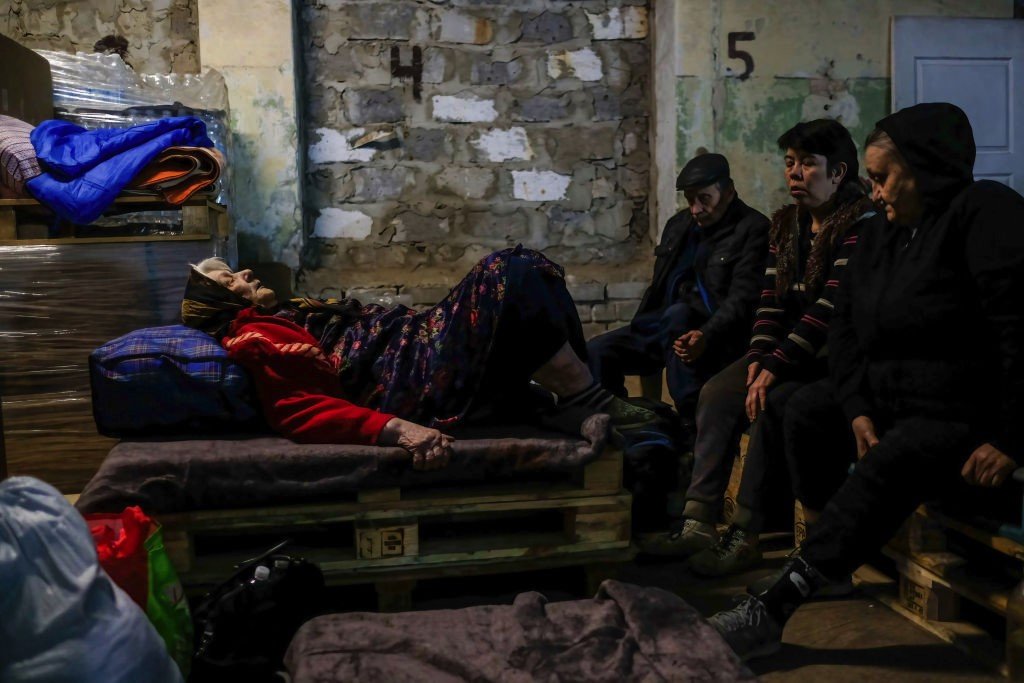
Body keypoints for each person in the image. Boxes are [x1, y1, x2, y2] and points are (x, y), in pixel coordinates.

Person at [708, 102, 1024, 660]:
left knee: (897, 454)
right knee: (801, 408)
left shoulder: (987, 214)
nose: (873, 193)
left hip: (962, 416)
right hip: (892, 400)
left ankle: (778, 603)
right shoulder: (882, 235)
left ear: (926, 169)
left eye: (882, 179)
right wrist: (855, 407)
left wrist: (1009, 437)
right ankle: (830, 559)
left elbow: (1018, 332)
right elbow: (846, 329)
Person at [181, 246, 659, 469]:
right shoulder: (253, 335)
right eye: (230, 280)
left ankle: (586, 395)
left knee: (530, 275)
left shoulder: (281, 314)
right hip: (409, 378)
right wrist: (398, 430)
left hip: (414, 348)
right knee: (506, 271)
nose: (244, 272)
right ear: (227, 304)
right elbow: (298, 412)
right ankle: (587, 397)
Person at [665, 120, 876, 575]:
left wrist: (774, 368)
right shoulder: (787, 225)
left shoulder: (860, 224)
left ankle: (746, 533)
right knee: (719, 392)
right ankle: (698, 519)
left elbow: (829, 308)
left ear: (838, 173)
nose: (796, 174)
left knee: (771, 402)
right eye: (790, 163)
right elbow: (769, 304)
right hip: (787, 352)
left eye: (808, 164)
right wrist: (759, 358)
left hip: (830, 356)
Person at [586, 153, 770, 417]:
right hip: (662, 327)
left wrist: (706, 335)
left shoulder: (754, 228)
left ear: (729, 192)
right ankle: (623, 425)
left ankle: (689, 429)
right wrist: (641, 325)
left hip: (716, 335)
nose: (695, 209)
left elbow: (742, 300)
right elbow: (658, 287)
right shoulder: (679, 225)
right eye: (689, 199)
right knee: (598, 351)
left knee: (679, 317)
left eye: (704, 199)